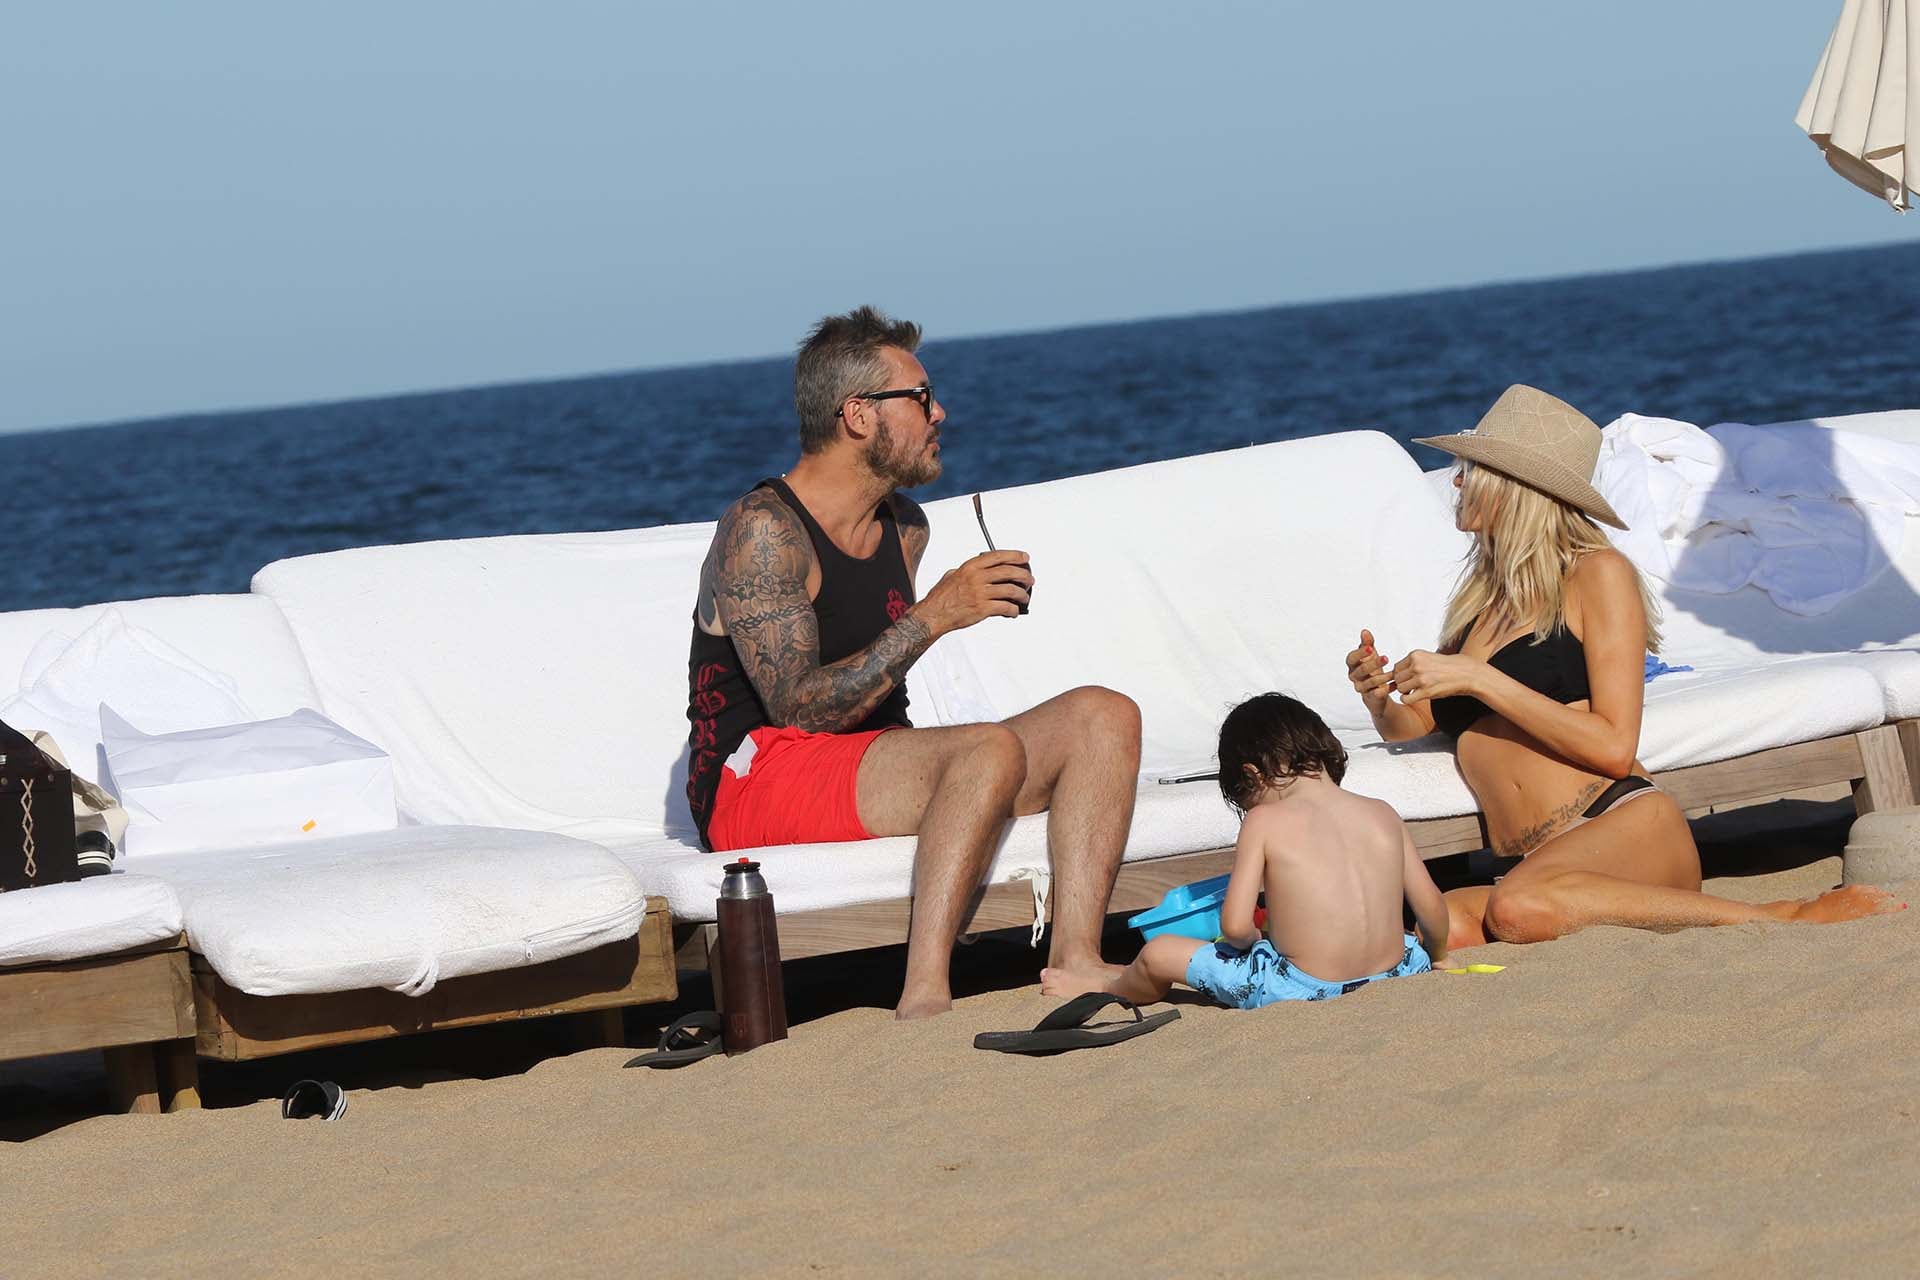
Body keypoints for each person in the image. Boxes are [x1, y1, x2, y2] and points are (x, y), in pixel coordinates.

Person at [684, 305, 1140, 1019]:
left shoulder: (906, 526)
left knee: (1103, 716)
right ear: (859, 414)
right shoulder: (764, 530)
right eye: (921, 397)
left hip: (871, 761)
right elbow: (797, 708)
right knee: (984, 747)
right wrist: (936, 615)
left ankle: (1077, 958)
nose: (941, 413)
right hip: (757, 777)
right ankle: (924, 989)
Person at [1345, 384, 1898, 947]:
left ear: (1513, 487)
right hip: (1540, 861)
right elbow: (1418, 727)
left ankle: (1780, 916)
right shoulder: (1481, 605)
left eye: (1470, 468)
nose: (1457, 481)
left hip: (1616, 825)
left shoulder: (1598, 574)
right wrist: (1379, 697)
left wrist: (1480, 678)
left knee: (1519, 906)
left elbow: (1613, 744)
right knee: (1429, 931)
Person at [1042, 693, 1446, 1008]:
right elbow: (1432, 910)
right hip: (1399, 971)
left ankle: (1110, 985)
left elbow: (1235, 927)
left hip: (1301, 987)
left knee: (1159, 952)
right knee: (1403, 938)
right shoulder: (1383, 813)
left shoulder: (1264, 822)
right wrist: (1433, 954)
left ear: (1251, 775)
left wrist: (1257, 940)